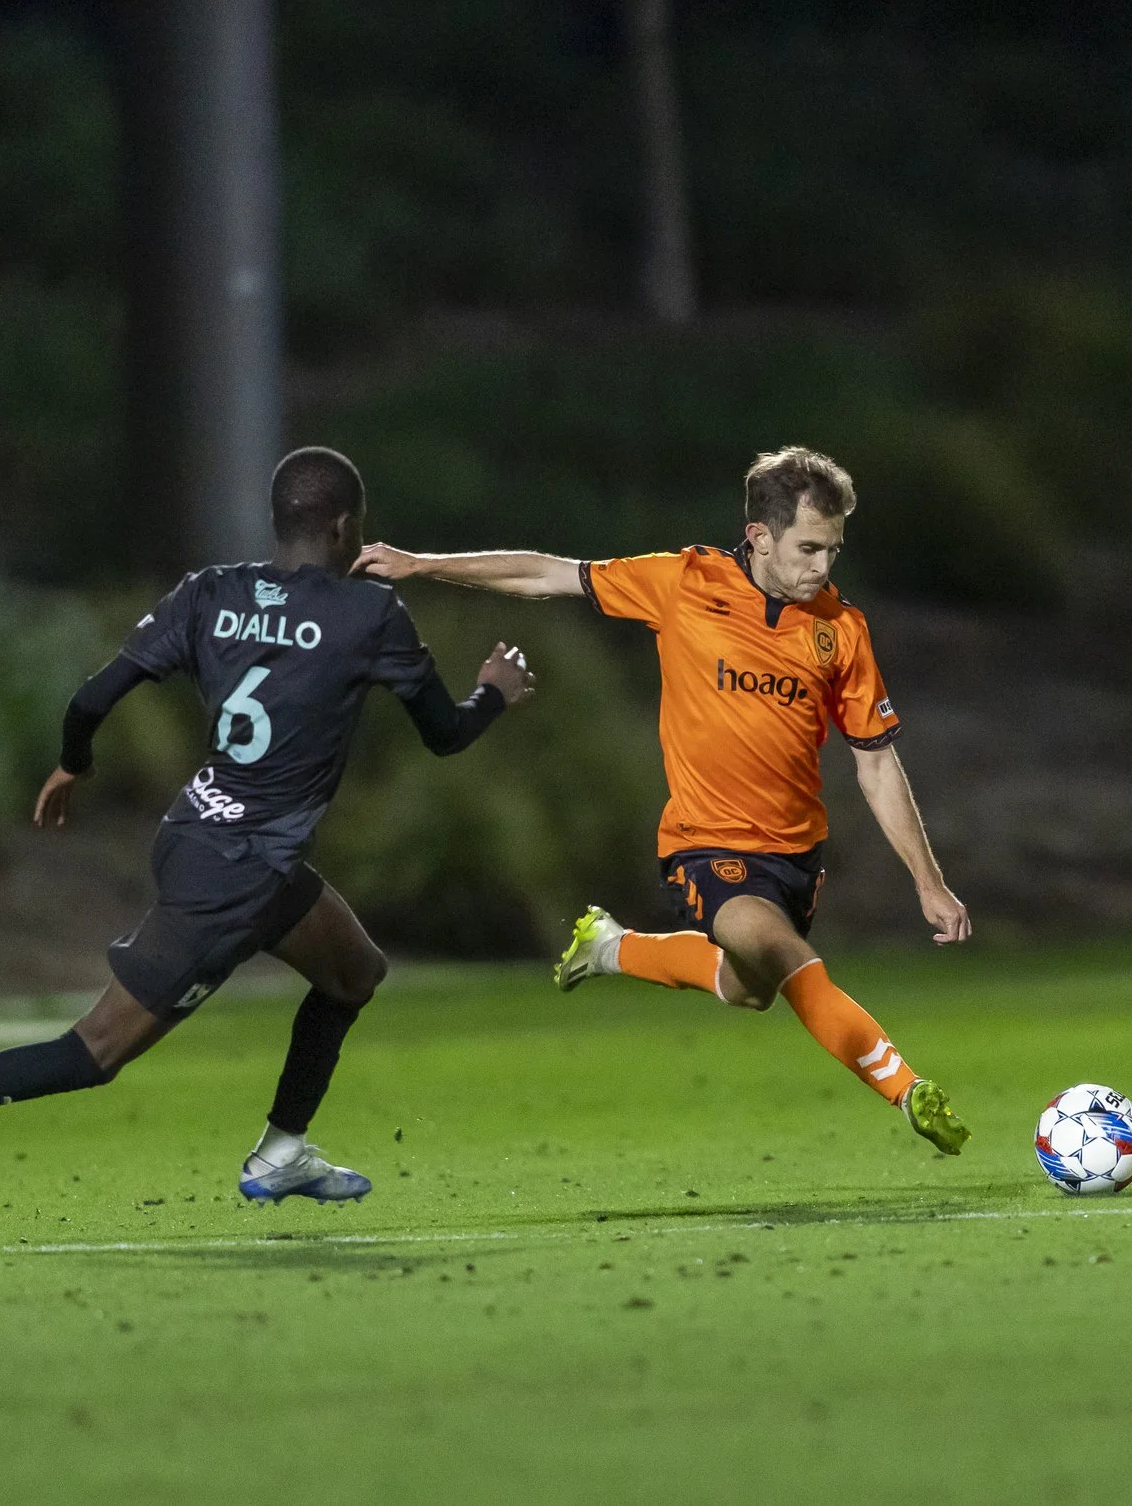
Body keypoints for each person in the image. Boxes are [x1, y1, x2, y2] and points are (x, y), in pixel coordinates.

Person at [0, 448, 534, 1210]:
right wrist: (494, 692)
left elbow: (90, 699)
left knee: (353, 971)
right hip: (238, 869)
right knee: (92, 1052)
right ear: (346, 527)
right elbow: (445, 733)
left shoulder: (209, 592)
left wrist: (72, 765)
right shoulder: (371, 614)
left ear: (280, 521)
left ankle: (282, 1152)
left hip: (203, 831)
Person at [352, 446, 973, 1156]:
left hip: (796, 854)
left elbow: (877, 764)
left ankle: (612, 947)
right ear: (759, 536)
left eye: (832, 549)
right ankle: (908, 1087)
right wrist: (421, 563)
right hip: (705, 845)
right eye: (807, 547)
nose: (821, 566)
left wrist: (929, 881)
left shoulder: (841, 631)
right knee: (784, 952)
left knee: (750, 989)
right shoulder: (684, 582)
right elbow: (546, 572)